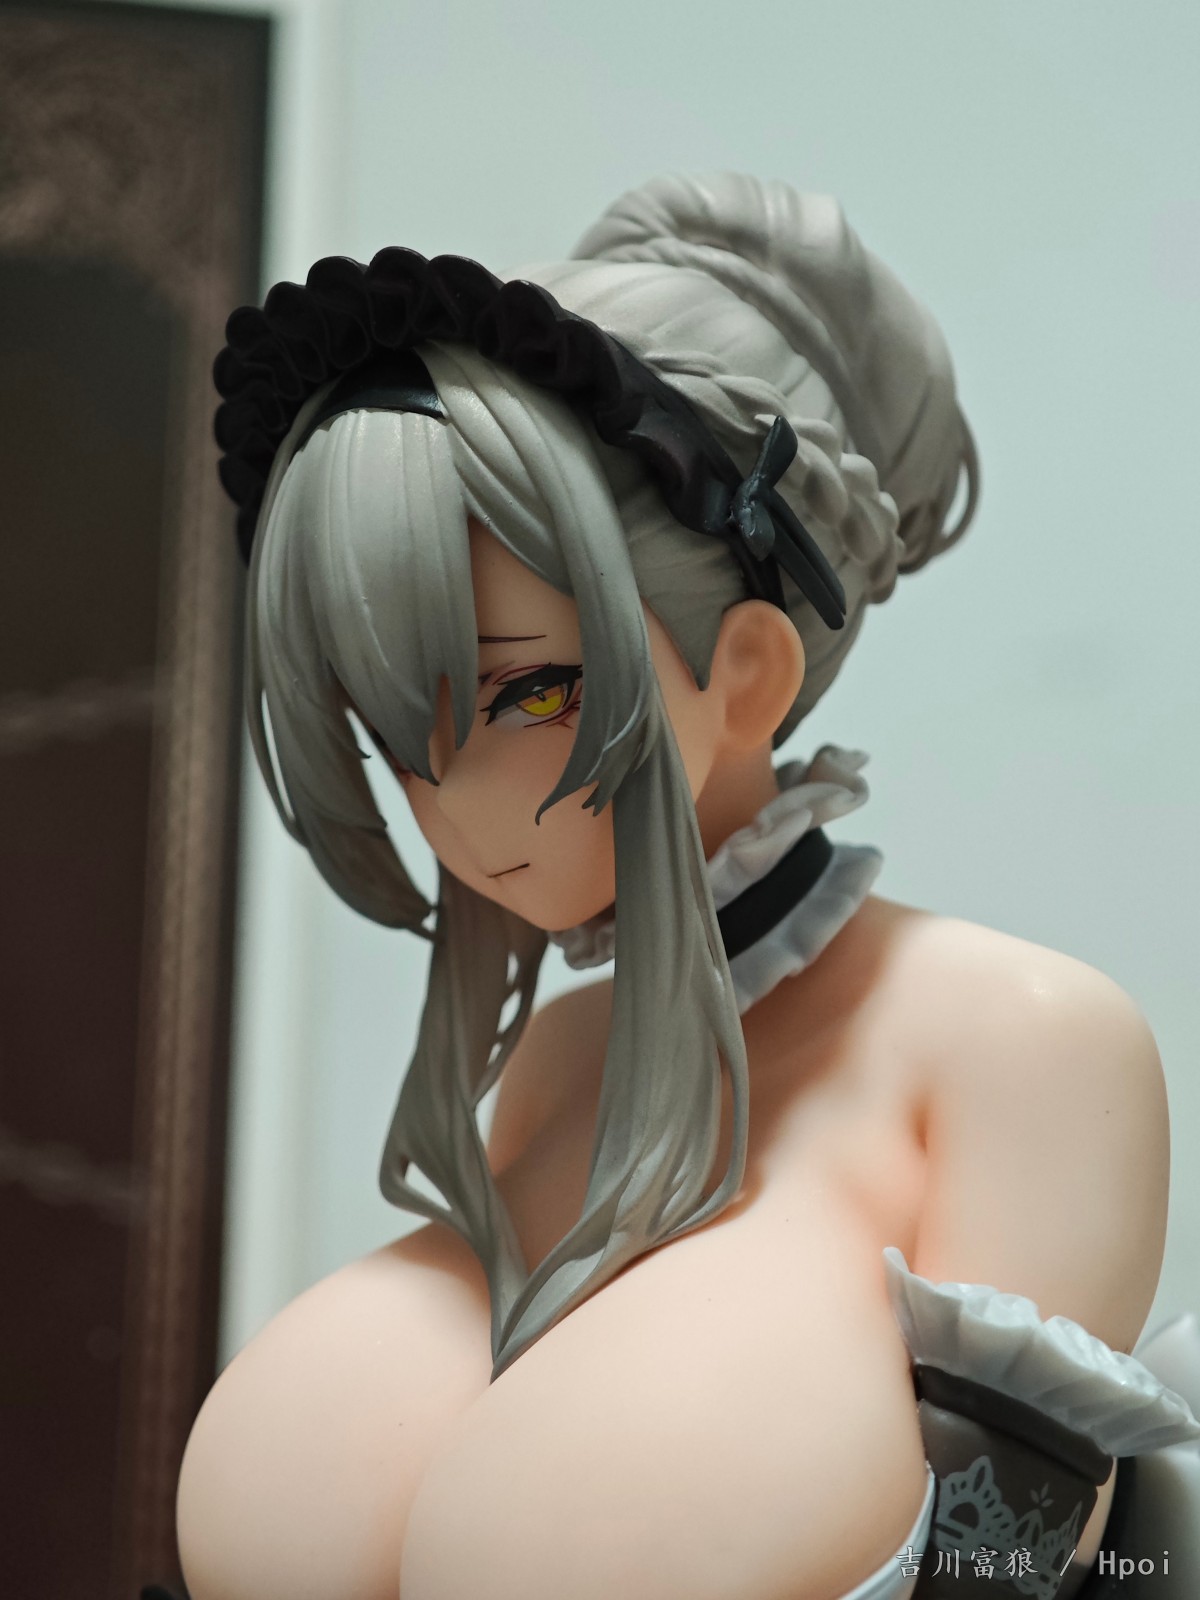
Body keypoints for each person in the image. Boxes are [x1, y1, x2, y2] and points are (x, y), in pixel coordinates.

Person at [174, 173, 1200, 1600]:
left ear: (750, 673)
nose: (452, 805)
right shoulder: (558, 1063)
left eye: (531, 694)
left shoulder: (1019, 1042)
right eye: (394, 731)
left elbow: (1014, 1565)